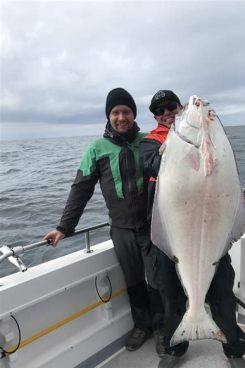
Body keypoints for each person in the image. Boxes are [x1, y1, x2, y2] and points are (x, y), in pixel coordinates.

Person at [139, 90, 245, 368]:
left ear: (179, 108)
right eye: (159, 109)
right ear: (154, 115)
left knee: (223, 296)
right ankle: (175, 347)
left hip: (210, 230)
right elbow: (151, 164)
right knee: (171, 298)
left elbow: (226, 169)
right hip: (176, 235)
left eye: (171, 106)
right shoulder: (150, 142)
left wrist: (207, 129)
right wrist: (173, 147)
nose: (167, 112)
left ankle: (235, 351)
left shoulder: (210, 138)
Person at [43, 88, 164, 353]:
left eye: (127, 112)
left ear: (134, 114)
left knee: (157, 280)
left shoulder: (148, 141)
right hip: (121, 230)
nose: (121, 117)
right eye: (116, 112)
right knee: (133, 281)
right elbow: (81, 189)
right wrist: (64, 227)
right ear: (109, 116)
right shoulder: (97, 148)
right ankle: (142, 326)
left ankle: (163, 330)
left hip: (152, 226)